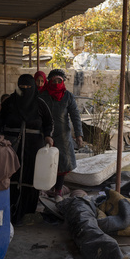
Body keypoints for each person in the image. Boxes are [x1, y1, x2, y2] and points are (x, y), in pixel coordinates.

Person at [0, 74, 54, 225]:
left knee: (31, 179)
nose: (25, 90)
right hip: (11, 148)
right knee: (10, 177)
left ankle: (27, 212)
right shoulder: (9, 103)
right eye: (22, 87)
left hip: (33, 149)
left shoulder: (40, 104)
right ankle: (10, 211)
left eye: (28, 87)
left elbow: (49, 123)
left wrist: (48, 136)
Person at [39, 69, 84, 202]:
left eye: (60, 80)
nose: (57, 83)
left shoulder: (68, 96)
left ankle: (58, 191)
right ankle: (44, 189)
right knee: (45, 162)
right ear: (50, 81)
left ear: (63, 81)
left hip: (63, 135)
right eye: (54, 81)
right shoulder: (42, 95)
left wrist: (79, 135)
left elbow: (75, 116)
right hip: (44, 134)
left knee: (62, 165)